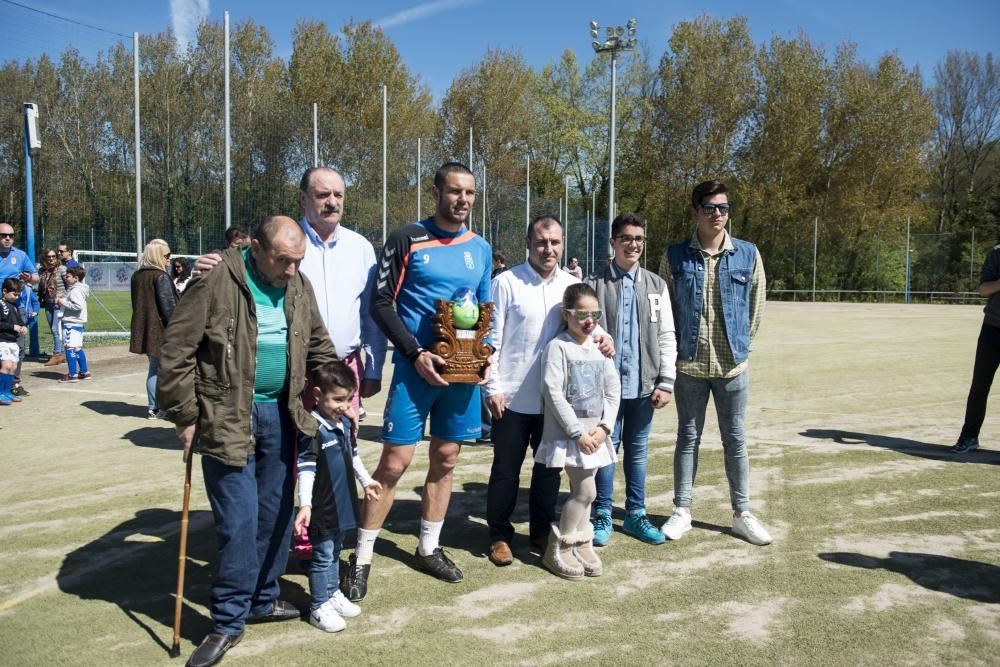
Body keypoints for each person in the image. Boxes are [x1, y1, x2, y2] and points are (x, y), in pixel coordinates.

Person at [158, 216, 338, 667]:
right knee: (237, 522)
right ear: (254, 248)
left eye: (298, 261)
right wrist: (184, 416)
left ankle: (262, 598)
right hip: (227, 418)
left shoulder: (298, 284)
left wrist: (338, 387)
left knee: (274, 514)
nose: (292, 270)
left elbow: (318, 344)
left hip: (283, 413)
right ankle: (228, 620)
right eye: (283, 260)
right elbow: (176, 351)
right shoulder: (214, 281)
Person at [342, 162, 492, 599]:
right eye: (454, 191)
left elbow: (483, 313)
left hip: (461, 373)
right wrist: (415, 352)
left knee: (445, 458)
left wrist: (483, 357)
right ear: (436, 192)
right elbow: (381, 302)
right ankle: (362, 558)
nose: (462, 200)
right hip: (415, 369)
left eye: (469, 193)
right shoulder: (406, 237)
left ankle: (429, 547)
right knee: (394, 463)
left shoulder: (479, 248)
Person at [195, 167, 386, 414]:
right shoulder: (282, 242)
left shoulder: (361, 247)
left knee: (342, 447)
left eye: (338, 195)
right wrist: (208, 266)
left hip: (344, 369)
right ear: (303, 198)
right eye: (322, 195)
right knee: (293, 449)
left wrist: (374, 368)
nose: (332, 202)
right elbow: (237, 267)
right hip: (293, 370)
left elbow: (371, 315)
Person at [658, 180, 771, 546]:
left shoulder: (748, 254)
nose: (718, 214)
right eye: (710, 208)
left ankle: (742, 513)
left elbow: (756, 307)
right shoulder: (674, 256)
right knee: (687, 438)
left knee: (735, 439)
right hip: (688, 365)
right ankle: (682, 510)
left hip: (732, 367)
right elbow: (664, 310)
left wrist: (740, 346)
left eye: (723, 207)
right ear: (695, 211)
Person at [484, 216, 585, 566]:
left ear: (562, 243)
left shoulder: (571, 286)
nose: (549, 249)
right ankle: (498, 534)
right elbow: (490, 341)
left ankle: (541, 532)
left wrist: (603, 339)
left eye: (555, 242)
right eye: (542, 242)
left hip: (554, 403)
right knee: (505, 471)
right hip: (510, 400)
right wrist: (492, 388)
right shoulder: (506, 282)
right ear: (528, 242)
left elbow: (587, 330)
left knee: (548, 472)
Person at [588, 213, 677, 546]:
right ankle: (602, 515)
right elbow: (581, 332)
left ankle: (636, 515)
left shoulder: (656, 285)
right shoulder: (593, 283)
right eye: (626, 238)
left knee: (638, 451)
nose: (633, 245)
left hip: (644, 386)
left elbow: (667, 334)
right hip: (604, 389)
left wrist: (666, 381)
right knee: (607, 450)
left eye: (639, 239)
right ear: (613, 242)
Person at [535, 283, 621, 579]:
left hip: (595, 436)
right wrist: (577, 433)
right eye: (581, 314)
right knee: (586, 491)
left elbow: (613, 391)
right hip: (570, 438)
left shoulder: (599, 348)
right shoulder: (558, 347)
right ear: (566, 314)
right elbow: (553, 393)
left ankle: (582, 545)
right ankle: (558, 546)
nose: (589, 320)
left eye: (594, 314)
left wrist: (605, 427)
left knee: (583, 491)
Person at [293, 360, 382, 633]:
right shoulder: (312, 428)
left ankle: (332, 594)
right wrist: (305, 504)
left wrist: (366, 482)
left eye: (349, 399)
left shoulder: (343, 423)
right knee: (322, 556)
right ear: (318, 395)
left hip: (344, 501)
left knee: (335, 551)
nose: (345, 406)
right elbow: (305, 468)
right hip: (322, 505)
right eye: (338, 400)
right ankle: (319, 605)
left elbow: (352, 456)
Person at [953, 243, 1000, 453]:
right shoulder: (997, 253)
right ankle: (969, 436)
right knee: (979, 386)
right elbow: (983, 289)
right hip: (992, 328)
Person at [129, 239, 179, 419]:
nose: (169, 259)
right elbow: (169, 308)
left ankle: (154, 407)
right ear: (158, 256)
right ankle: (161, 407)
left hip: (144, 328)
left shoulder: (137, 276)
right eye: (167, 256)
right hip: (161, 331)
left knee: (154, 368)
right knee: (164, 370)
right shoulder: (161, 276)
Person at [57, 266, 91, 383]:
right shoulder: (78, 289)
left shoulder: (76, 290)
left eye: (68, 276)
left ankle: (72, 374)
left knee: (69, 347)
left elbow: (77, 306)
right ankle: (84, 371)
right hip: (78, 323)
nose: (66, 278)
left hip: (71, 322)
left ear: (76, 278)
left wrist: (63, 302)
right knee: (77, 348)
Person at [0, 278, 28, 405]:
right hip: (3, 341)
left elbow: (19, 321)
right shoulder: (0, 304)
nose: (16, 297)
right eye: (14, 294)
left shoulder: (15, 307)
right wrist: (12, 327)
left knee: (13, 367)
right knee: (5, 366)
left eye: (17, 295)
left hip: (13, 341)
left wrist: (22, 326)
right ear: (4, 291)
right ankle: (1, 392)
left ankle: (7, 392)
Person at [38, 248, 67, 366]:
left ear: (57, 257)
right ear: (44, 258)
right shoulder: (42, 271)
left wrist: (63, 299)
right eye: (48, 256)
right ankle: (63, 353)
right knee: (54, 329)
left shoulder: (62, 269)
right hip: (48, 302)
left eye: (53, 256)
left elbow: (69, 285)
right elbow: (40, 286)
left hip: (58, 303)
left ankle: (56, 354)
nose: (51, 259)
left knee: (56, 329)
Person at [13, 279, 39, 396]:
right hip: (12, 319)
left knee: (20, 350)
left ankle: (15, 382)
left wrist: (34, 311)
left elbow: (35, 302)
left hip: (22, 318)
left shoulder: (28, 291)